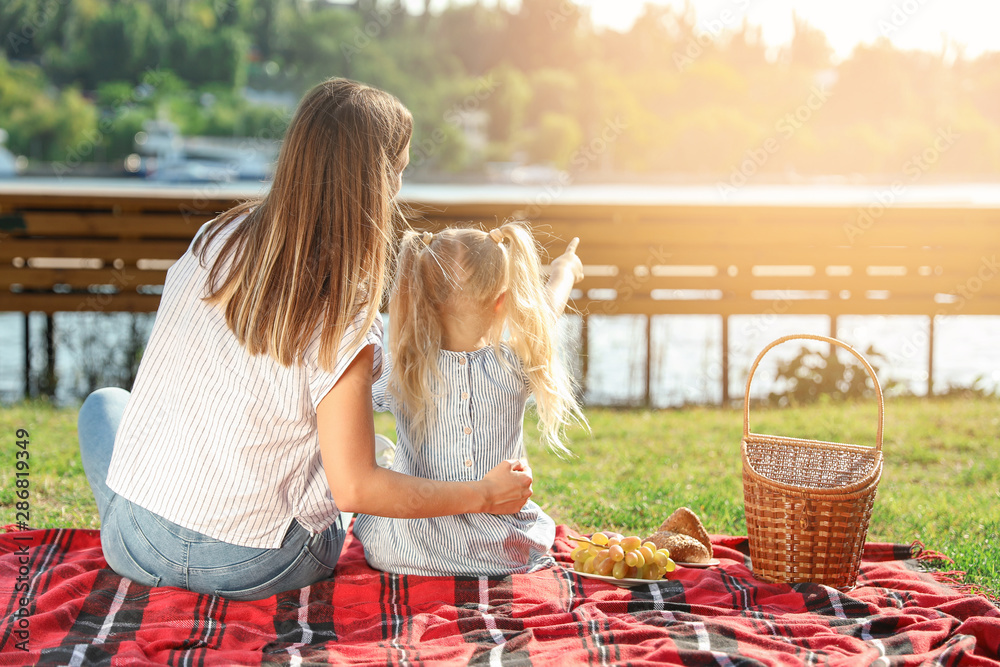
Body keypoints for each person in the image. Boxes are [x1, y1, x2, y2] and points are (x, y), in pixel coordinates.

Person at [76, 78, 533, 601]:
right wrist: (481, 493)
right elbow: (355, 489)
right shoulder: (345, 308)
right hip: (256, 564)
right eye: (400, 171)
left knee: (105, 404)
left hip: (137, 545)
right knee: (352, 459)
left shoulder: (214, 240)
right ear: (375, 180)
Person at [353, 222, 586, 576]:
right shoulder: (516, 364)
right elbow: (546, 314)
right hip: (501, 552)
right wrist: (564, 271)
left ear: (421, 299)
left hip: (407, 552)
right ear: (501, 302)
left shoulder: (401, 372)